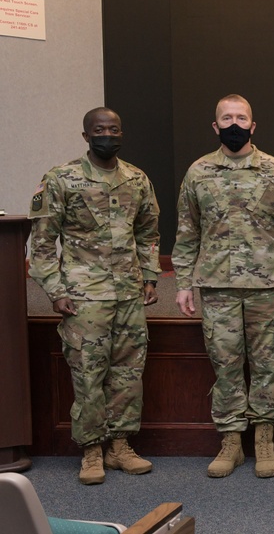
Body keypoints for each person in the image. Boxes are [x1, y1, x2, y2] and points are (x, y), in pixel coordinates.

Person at [173, 94, 274, 479]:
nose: (234, 124)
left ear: (253, 125)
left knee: (266, 366)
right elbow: (186, 232)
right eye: (226, 118)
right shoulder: (198, 172)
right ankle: (231, 442)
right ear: (215, 127)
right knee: (226, 365)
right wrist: (183, 284)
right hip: (217, 286)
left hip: (266, 285)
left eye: (241, 117)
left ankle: (264, 440)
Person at [28, 107, 161, 485]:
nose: (108, 134)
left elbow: (148, 232)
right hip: (84, 296)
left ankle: (120, 447)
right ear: (86, 136)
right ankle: (91, 450)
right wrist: (55, 291)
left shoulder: (136, 178)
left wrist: (150, 277)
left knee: (128, 373)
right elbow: (41, 243)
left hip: (129, 295)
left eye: (114, 129)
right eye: (100, 129)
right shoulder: (61, 179)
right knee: (88, 374)